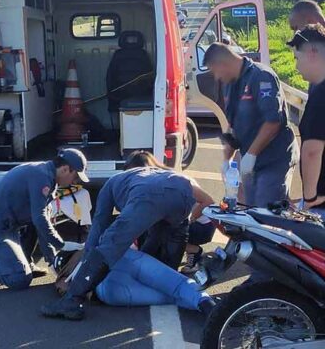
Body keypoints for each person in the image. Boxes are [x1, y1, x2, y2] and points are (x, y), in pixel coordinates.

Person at [41, 155, 216, 320]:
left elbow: (98, 228)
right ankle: (207, 303)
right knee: (170, 275)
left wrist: (85, 262)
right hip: (179, 195)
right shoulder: (157, 173)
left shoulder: (112, 185)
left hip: (110, 289)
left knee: (110, 244)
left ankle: (72, 300)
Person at [0, 149, 88, 289]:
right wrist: (61, 245)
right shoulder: (41, 177)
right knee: (19, 279)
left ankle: (18, 263)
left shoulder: (47, 175)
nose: (75, 181)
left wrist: (52, 260)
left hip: (6, 225)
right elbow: (39, 218)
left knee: (40, 218)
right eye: (75, 177)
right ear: (65, 169)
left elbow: (42, 222)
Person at [203, 43, 299, 207]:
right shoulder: (230, 85)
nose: (216, 77)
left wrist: (251, 155)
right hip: (251, 161)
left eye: (215, 71)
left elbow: (273, 121)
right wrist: (227, 159)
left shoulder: (261, 76)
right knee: (249, 210)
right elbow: (232, 126)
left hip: (274, 159)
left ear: (222, 64)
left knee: (266, 209)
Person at [123, 150, 215, 274]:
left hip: (203, 226)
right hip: (184, 219)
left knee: (165, 233)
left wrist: (191, 219)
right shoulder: (156, 181)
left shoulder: (177, 180)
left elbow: (208, 201)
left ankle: (194, 250)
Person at [287, 24, 325, 219]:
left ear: (311, 52)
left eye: (297, 57)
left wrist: (309, 199)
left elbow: (312, 151)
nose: (296, 66)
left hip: (320, 205)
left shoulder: (321, 96)